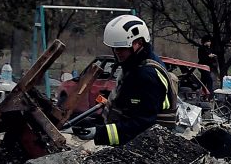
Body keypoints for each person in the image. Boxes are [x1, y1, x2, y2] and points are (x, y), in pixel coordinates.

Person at [74, 14, 179, 145]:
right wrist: (94, 122)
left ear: (139, 43)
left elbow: (142, 125)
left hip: (149, 148)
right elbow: (124, 111)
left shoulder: (146, 75)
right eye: (114, 47)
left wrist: (99, 133)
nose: (117, 52)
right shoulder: (134, 66)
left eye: (122, 47)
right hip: (138, 146)